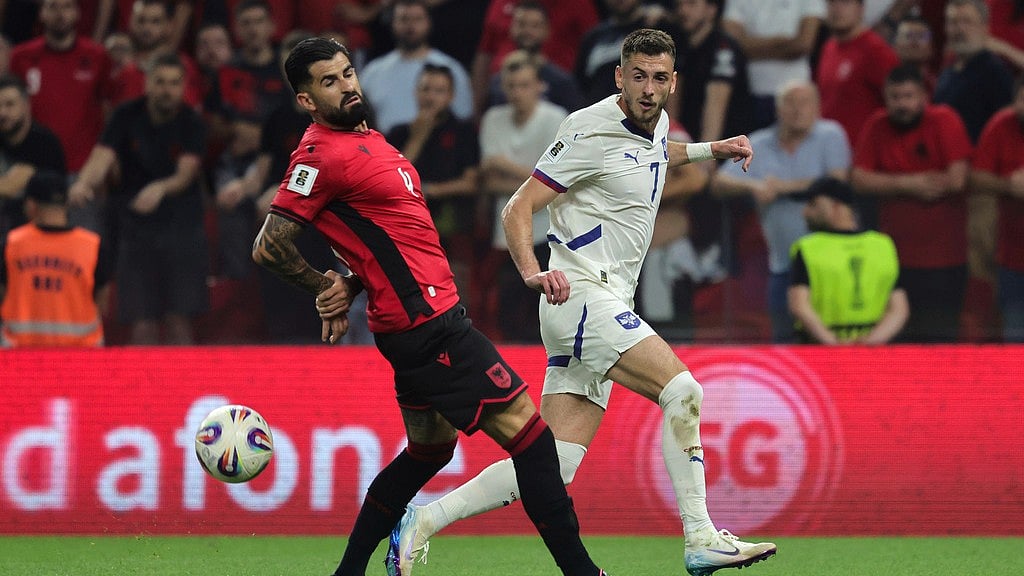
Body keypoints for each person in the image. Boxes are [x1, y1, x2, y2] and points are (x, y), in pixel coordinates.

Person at [372, 28, 776, 576]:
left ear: (673, 82)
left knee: (553, 464)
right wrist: (532, 272)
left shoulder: (654, 125)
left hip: (603, 302)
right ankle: (701, 536)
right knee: (682, 389)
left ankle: (421, 520)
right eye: (638, 77)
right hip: (579, 295)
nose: (649, 89)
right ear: (619, 77)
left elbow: (654, 153)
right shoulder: (586, 129)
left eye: (660, 78)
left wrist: (713, 149)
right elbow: (518, 206)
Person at [255, 36, 611, 576]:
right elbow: (269, 244)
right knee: (537, 447)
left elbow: (382, 239)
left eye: (348, 73)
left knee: (429, 453)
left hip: (416, 324)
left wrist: (352, 282)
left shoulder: (370, 140)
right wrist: (320, 285)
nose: (347, 85)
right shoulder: (317, 154)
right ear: (306, 100)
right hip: (431, 327)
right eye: (329, 81)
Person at [71, 53, 208, 345]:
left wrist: (160, 188)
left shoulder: (191, 122)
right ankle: (142, 387)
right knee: (141, 319)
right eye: (160, 82)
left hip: (181, 228)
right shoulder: (125, 115)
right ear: (147, 83)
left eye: (174, 83)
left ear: (183, 86)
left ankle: (184, 385)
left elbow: (185, 174)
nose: (166, 90)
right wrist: (83, 183)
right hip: (135, 227)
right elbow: (101, 158)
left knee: (177, 318)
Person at [711, 80, 851, 343]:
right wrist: (754, 186)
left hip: (831, 265)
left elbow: (837, 182)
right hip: (782, 264)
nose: (797, 110)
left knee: (834, 343)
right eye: (790, 103)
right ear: (777, 109)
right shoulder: (760, 143)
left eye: (804, 102)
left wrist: (781, 188)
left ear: (818, 107)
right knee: (785, 344)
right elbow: (719, 182)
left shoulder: (831, 135)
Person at [851, 63, 972, 343]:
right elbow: (859, 179)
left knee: (939, 343)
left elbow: (955, 181)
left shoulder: (944, 120)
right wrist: (910, 184)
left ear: (923, 96)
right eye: (895, 97)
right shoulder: (877, 124)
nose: (901, 104)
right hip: (892, 260)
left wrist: (888, 182)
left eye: (908, 96)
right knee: (897, 346)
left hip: (944, 260)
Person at [478, 50, 567, 341]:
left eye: (524, 85)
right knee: (507, 318)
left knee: (547, 317)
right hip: (505, 234)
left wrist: (502, 165)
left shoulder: (556, 119)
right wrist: (536, 180)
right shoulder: (493, 118)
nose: (517, 92)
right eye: (511, 85)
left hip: (549, 233)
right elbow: (489, 182)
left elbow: (560, 182)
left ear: (540, 85)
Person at [9, 0, 111, 232]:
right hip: (34, 170)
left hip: (81, 174)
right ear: (41, 13)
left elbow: (107, 112)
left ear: (77, 13)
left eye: (66, 7)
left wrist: (100, 171)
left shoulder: (97, 56)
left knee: (83, 251)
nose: (60, 14)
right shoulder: (21, 57)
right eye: (53, 7)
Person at [387, 63, 480, 311]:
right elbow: (392, 180)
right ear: (416, 92)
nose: (431, 96)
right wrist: (419, 135)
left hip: (453, 222)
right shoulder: (399, 132)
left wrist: (431, 191)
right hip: (409, 226)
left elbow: (471, 182)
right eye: (426, 89)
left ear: (450, 96)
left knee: (457, 291)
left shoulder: (464, 132)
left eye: (439, 90)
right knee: (412, 293)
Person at [787, 177, 908, 344]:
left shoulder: (808, 248)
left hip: (817, 352)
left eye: (813, 204)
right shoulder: (882, 246)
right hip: (871, 353)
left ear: (836, 206)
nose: (805, 212)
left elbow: (799, 305)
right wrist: (870, 344)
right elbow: (899, 309)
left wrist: (834, 344)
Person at [1, 170, 110, 346]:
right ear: (66, 204)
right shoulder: (93, 245)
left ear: (30, 205)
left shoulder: (10, 243)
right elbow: (102, 302)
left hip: (21, 358)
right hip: (82, 359)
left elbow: (3, 292)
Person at [358, 0, 472, 135]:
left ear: (429, 22)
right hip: (381, 149)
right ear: (392, 23)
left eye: (418, 19)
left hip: (439, 150)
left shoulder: (451, 69)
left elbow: (465, 117)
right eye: (404, 19)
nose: (410, 26)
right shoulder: (372, 72)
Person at [970, 77, 1024, 342]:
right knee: (1015, 340)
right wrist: (1008, 185)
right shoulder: (1002, 125)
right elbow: (977, 177)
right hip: (1013, 260)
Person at [722, 0, 826, 131]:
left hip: (796, 97)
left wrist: (750, 47)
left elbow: (803, 44)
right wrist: (781, 42)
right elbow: (732, 46)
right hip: (751, 95)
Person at [816, 0, 899, 146]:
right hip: (830, 150)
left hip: (862, 151)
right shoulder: (828, 48)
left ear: (861, 9)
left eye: (845, 3)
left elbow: (899, 101)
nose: (837, 10)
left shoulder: (875, 51)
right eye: (831, 3)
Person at [482, 1, 584, 115]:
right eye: (521, 24)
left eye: (535, 26)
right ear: (511, 28)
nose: (527, 31)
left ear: (547, 30)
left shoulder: (562, 82)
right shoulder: (498, 82)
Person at [674, 0, 753, 144]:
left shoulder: (723, 48)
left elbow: (716, 105)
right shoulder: (679, 44)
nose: (682, 11)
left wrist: (707, 155)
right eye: (679, 5)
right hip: (687, 141)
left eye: (691, 4)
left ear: (711, 10)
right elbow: (672, 101)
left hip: (725, 147)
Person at [0, 74, 67, 239]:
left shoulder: (45, 144)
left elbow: (11, 187)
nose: (2, 112)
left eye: (9, 105)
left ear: (26, 105)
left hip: (38, 232)